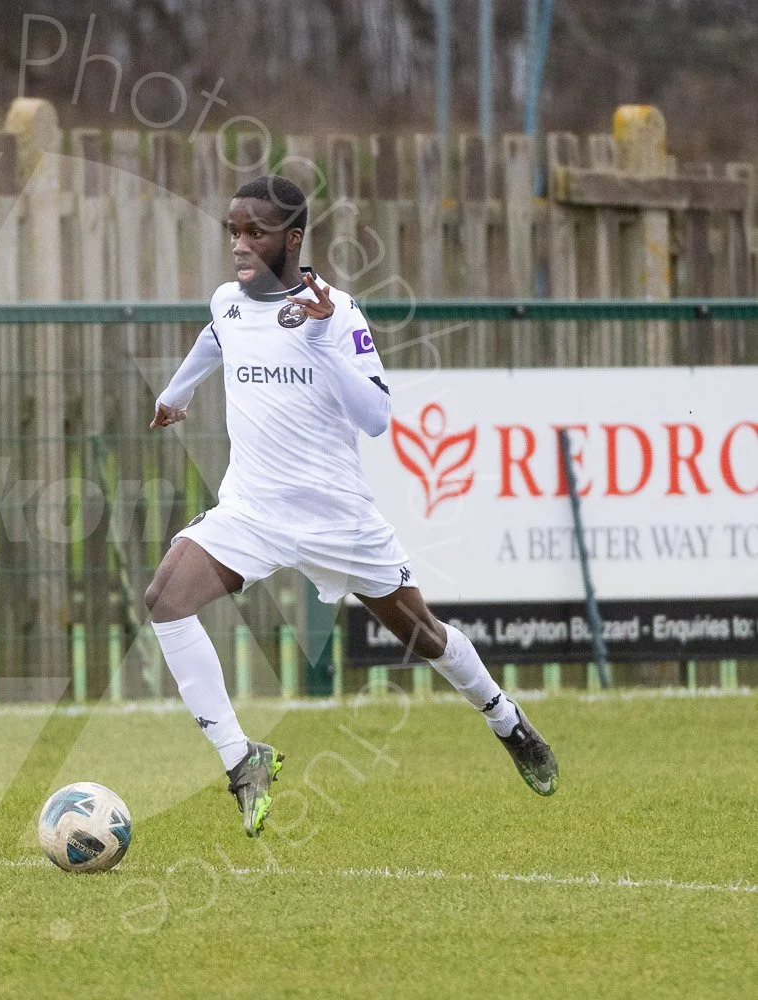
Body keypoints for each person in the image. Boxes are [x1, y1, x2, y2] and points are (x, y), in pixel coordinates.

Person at [146, 175, 557, 838]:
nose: (240, 245)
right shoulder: (229, 302)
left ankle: (504, 718)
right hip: (253, 508)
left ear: (294, 238)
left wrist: (317, 344)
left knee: (423, 635)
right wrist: (175, 393)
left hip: (337, 517)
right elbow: (216, 339)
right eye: (233, 231)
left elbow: (375, 418)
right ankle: (241, 759)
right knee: (165, 598)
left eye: (255, 232)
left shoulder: (335, 311)